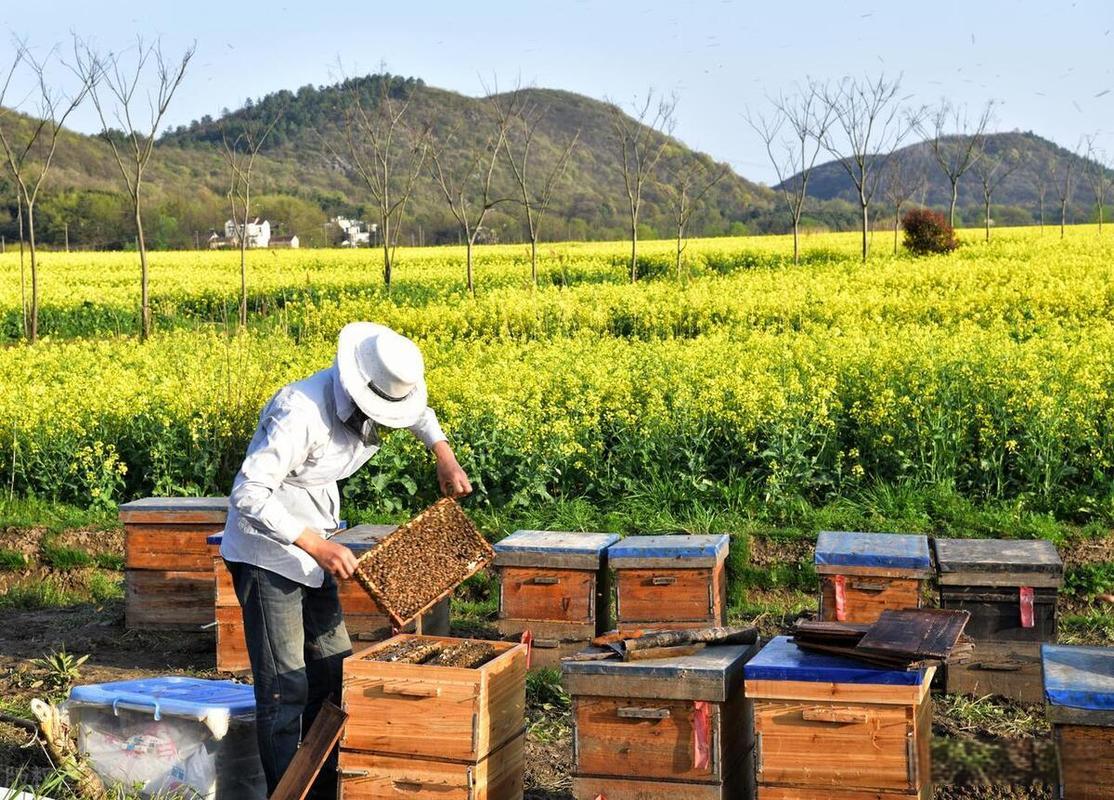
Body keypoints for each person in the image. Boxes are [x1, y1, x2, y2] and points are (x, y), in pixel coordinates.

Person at [219, 321, 472, 798]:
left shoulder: (381, 388)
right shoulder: (299, 411)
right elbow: (248, 493)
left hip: (318, 545)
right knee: (285, 687)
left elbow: (419, 414)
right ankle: (287, 791)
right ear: (357, 387)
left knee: (335, 672)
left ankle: (323, 779)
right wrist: (315, 544)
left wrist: (443, 453)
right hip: (267, 554)